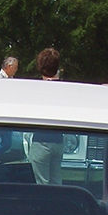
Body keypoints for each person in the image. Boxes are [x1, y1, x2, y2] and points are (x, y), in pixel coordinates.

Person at [27, 48, 64, 185]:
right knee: (56, 183)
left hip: (41, 140)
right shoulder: (64, 89)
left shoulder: (36, 89)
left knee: (41, 184)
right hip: (59, 140)